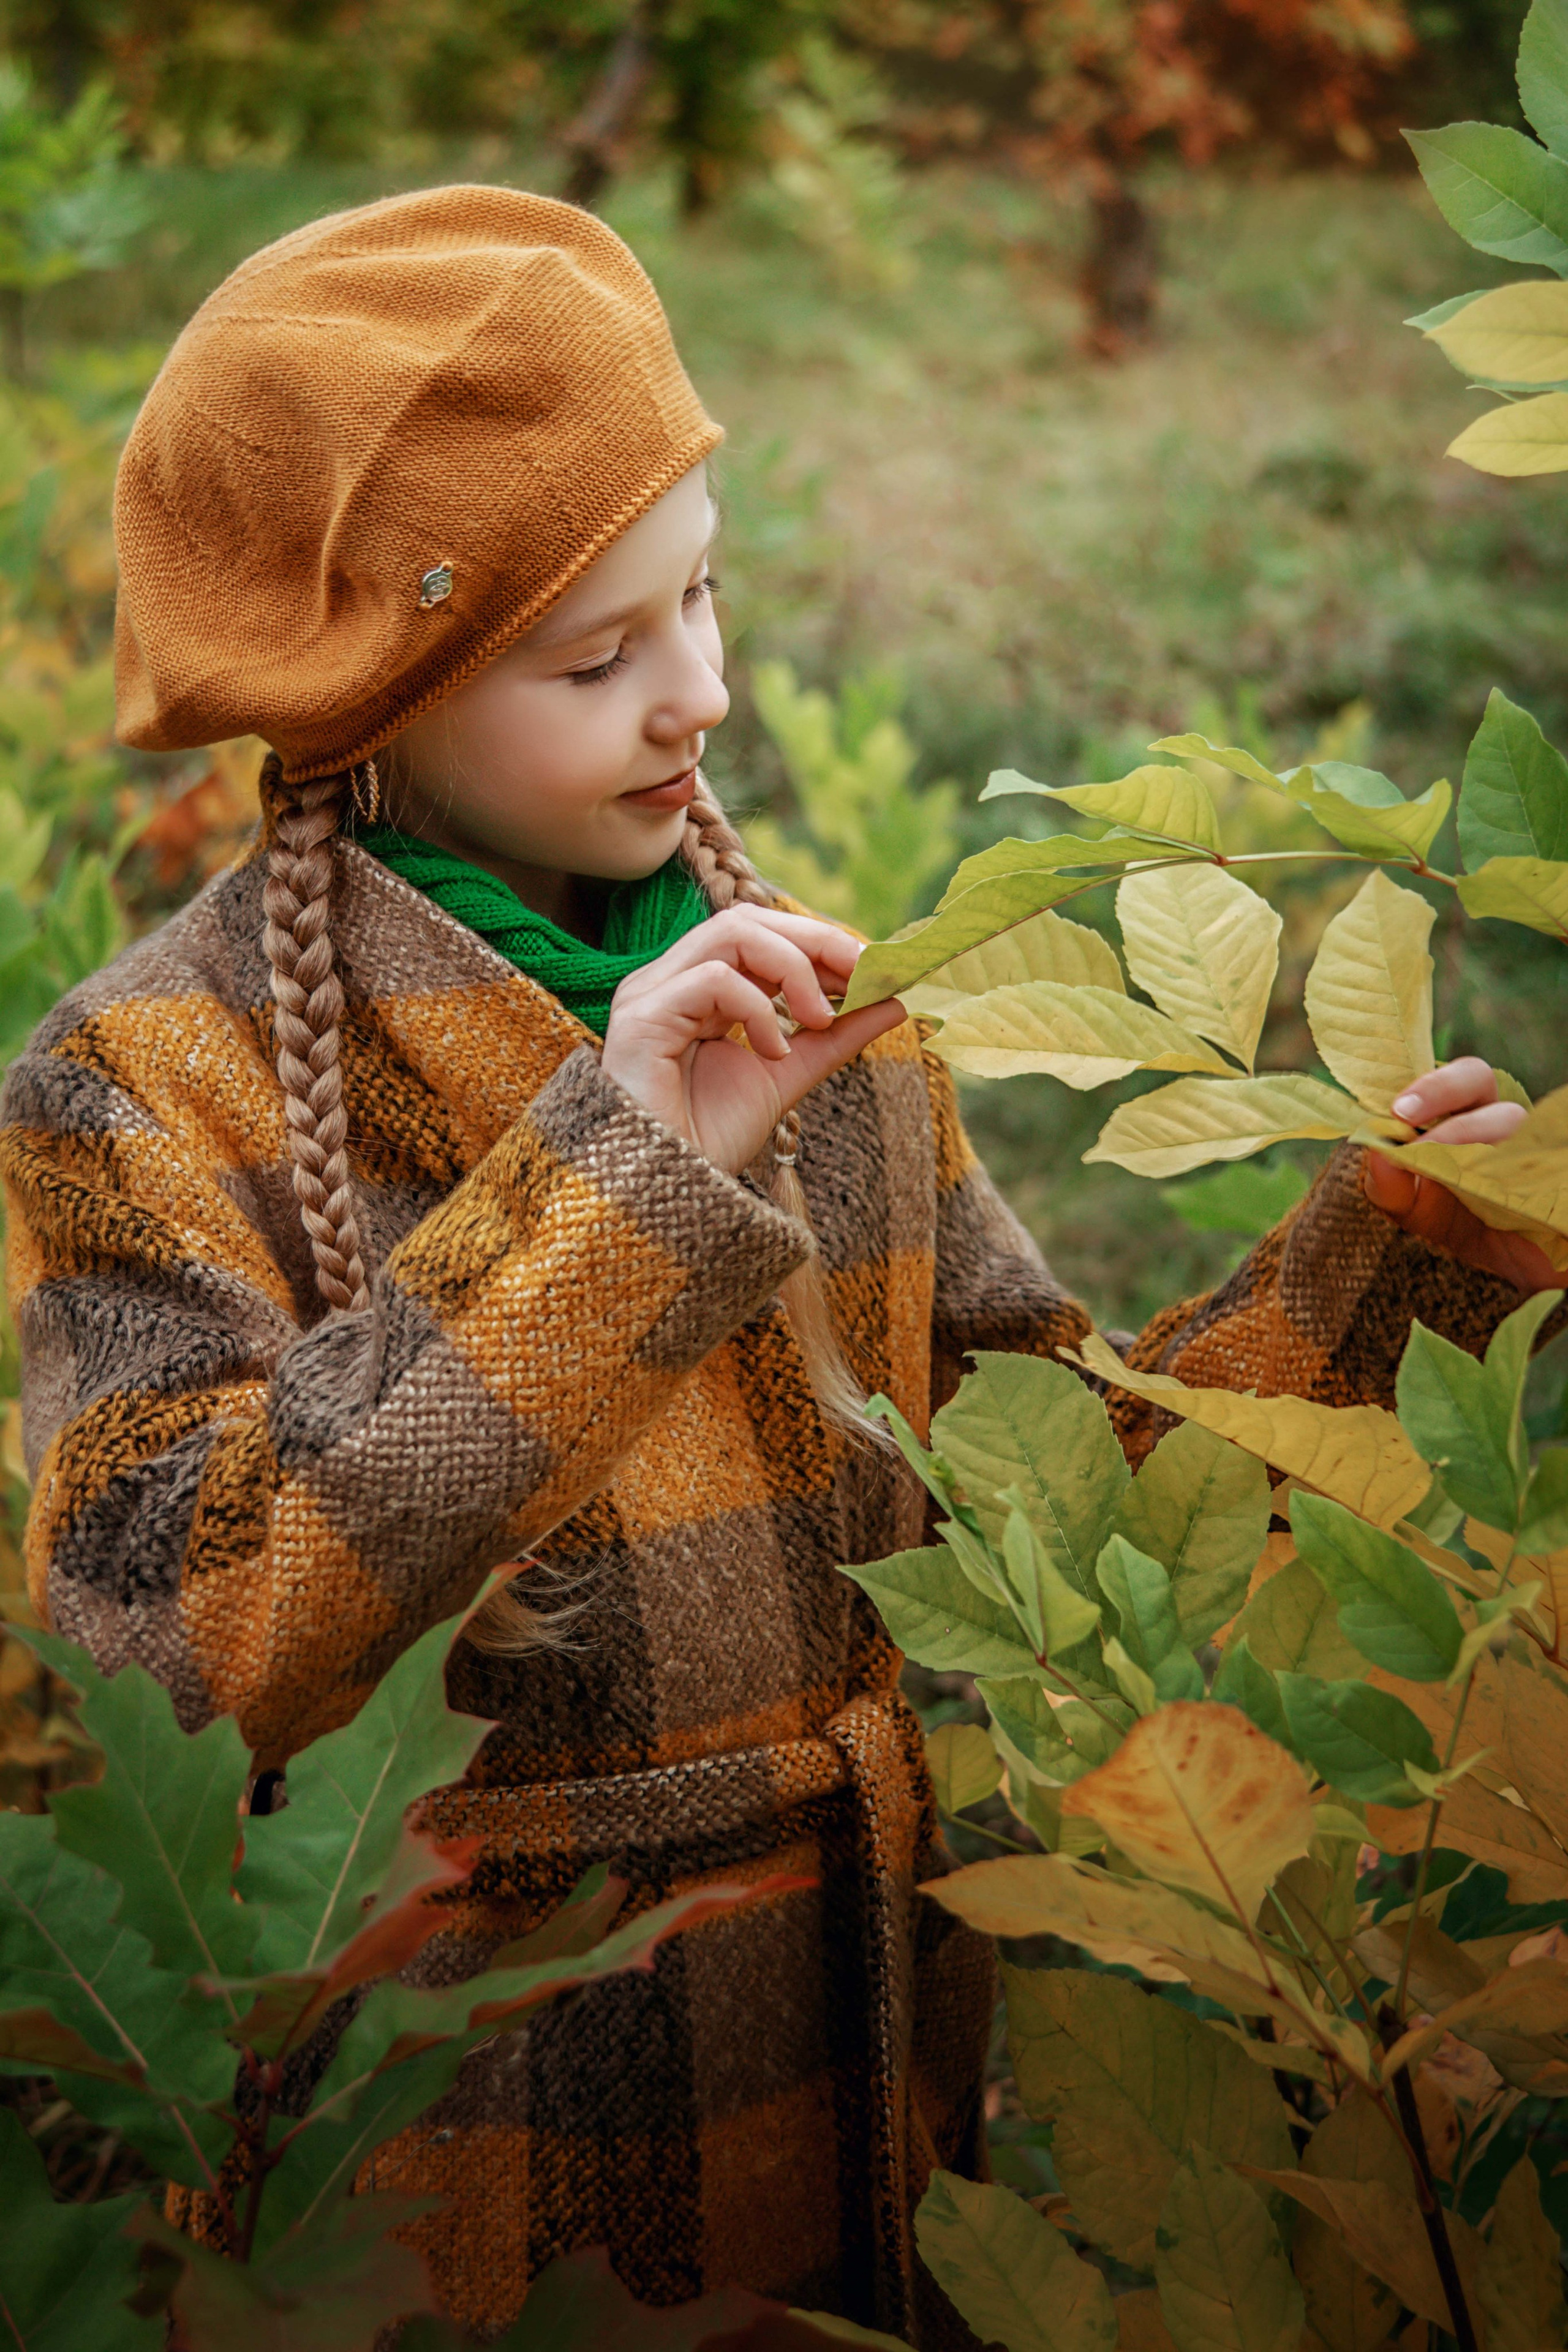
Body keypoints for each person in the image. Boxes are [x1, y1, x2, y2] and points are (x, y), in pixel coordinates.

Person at [0, 186, 1547, 2346]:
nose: (701, 697)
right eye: (597, 655)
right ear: (376, 687)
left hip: (864, 2063)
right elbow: (167, 1641)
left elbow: (1057, 1495)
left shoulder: (814, 1012)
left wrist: (1391, 1269)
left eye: (705, 600)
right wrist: (622, 1176)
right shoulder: (145, 1085)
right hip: (465, 2137)